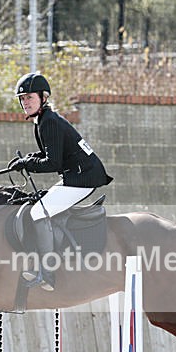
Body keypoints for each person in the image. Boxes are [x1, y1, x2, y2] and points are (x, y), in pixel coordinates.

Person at [8, 72, 113, 291]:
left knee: (39, 212)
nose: (25, 102)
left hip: (84, 177)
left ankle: (47, 273)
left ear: (43, 97)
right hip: (76, 175)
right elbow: (50, 154)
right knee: (41, 205)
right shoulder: (44, 120)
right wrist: (27, 159)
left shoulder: (49, 122)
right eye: (22, 99)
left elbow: (52, 163)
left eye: (30, 97)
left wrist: (27, 163)